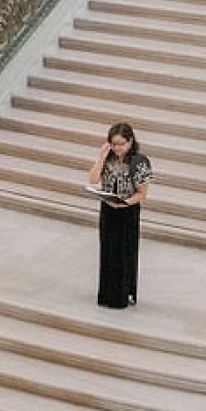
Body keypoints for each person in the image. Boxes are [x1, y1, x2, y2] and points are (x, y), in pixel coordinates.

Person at [87, 118, 152, 309]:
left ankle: (123, 294)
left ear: (130, 142)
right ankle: (106, 293)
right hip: (108, 209)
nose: (117, 148)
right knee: (107, 251)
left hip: (127, 211)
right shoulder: (108, 158)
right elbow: (92, 179)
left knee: (124, 253)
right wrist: (101, 157)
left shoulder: (139, 162)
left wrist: (124, 203)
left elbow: (142, 194)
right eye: (113, 144)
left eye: (121, 144)